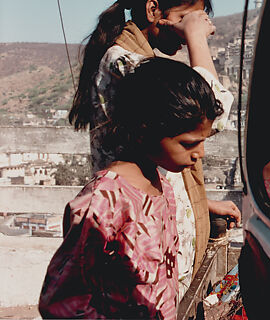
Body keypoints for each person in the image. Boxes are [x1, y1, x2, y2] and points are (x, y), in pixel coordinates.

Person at [67, 0, 240, 299]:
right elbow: (212, 112)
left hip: (156, 231)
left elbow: (162, 153)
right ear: (152, 10)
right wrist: (196, 40)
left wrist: (197, 202)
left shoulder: (138, 61)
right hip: (139, 237)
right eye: (185, 18)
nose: (196, 26)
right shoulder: (124, 62)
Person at [39, 58, 223, 319]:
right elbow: (59, 302)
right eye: (188, 143)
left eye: (202, 142)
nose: (199, 155)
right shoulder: (104, 201)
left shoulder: (162, 188)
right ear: (143, 130)